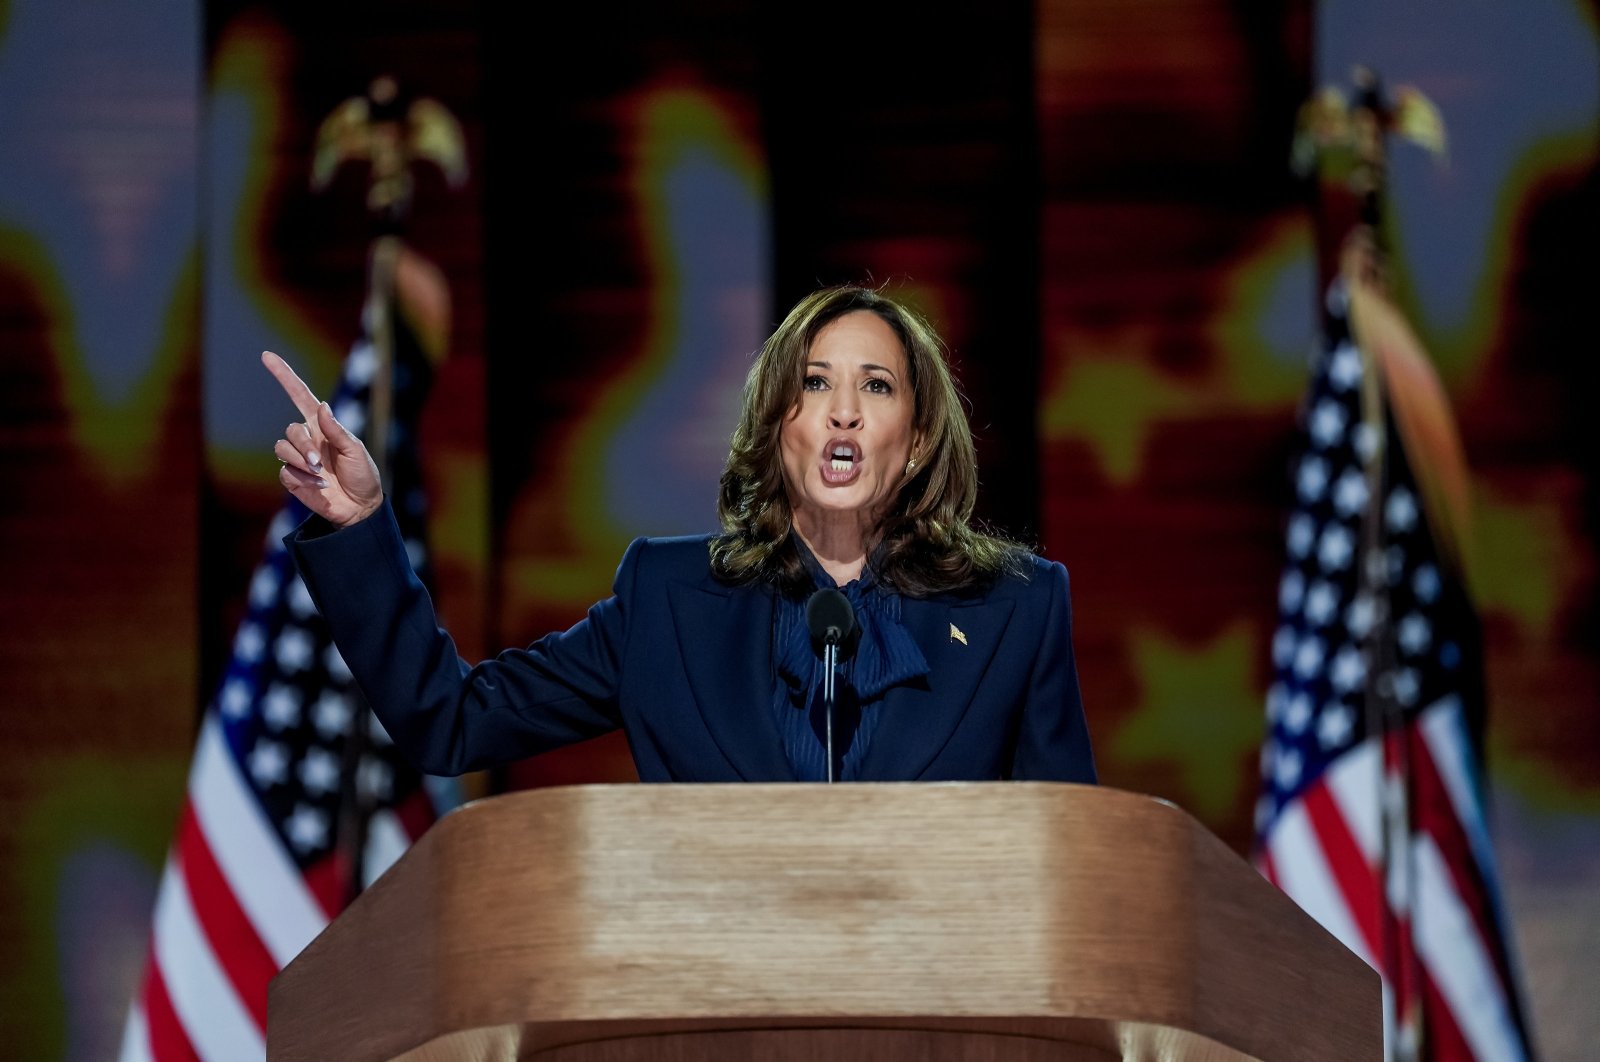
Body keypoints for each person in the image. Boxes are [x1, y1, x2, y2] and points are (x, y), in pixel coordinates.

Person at [266, 285, 1096, 784]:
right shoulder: (668, 603)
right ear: (780, 428)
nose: (843, 410)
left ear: (915, 444)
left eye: (876, 386)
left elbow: (1076, 864)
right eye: (814, 384)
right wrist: (364, 528)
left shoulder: (1013, 612)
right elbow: (450, 720)